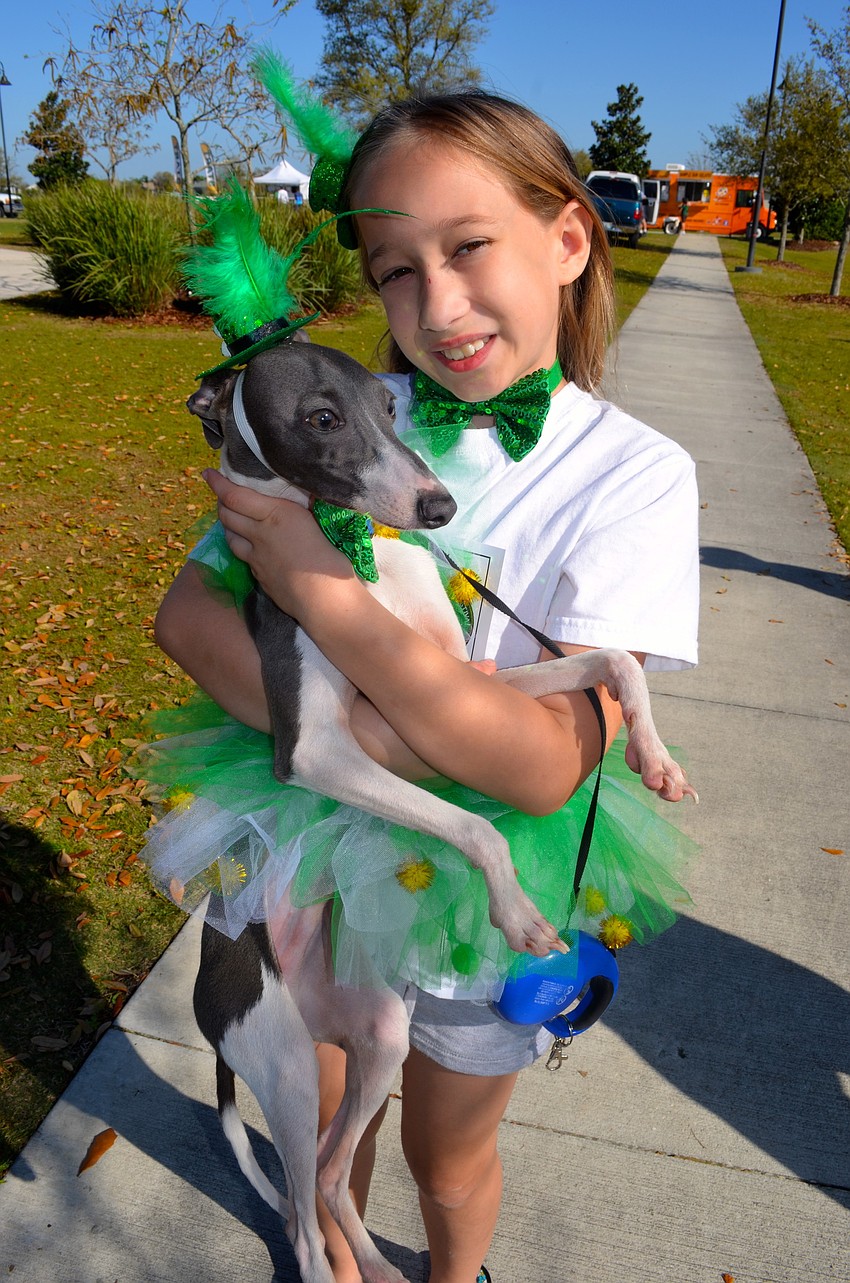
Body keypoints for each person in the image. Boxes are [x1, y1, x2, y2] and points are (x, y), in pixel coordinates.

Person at [153, 90, 699, 1283]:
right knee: (325, 1113)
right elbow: (188, 616)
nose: (435, 304)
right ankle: (331, 1258)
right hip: (313, 847)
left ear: (567, 239)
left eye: (468, 247)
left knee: (448, 1154)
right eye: (396, 269)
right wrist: (355, 730)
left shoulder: (635, 477)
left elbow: (546, 759)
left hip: (483, 887)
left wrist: (319, 591)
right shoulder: (342, 409)